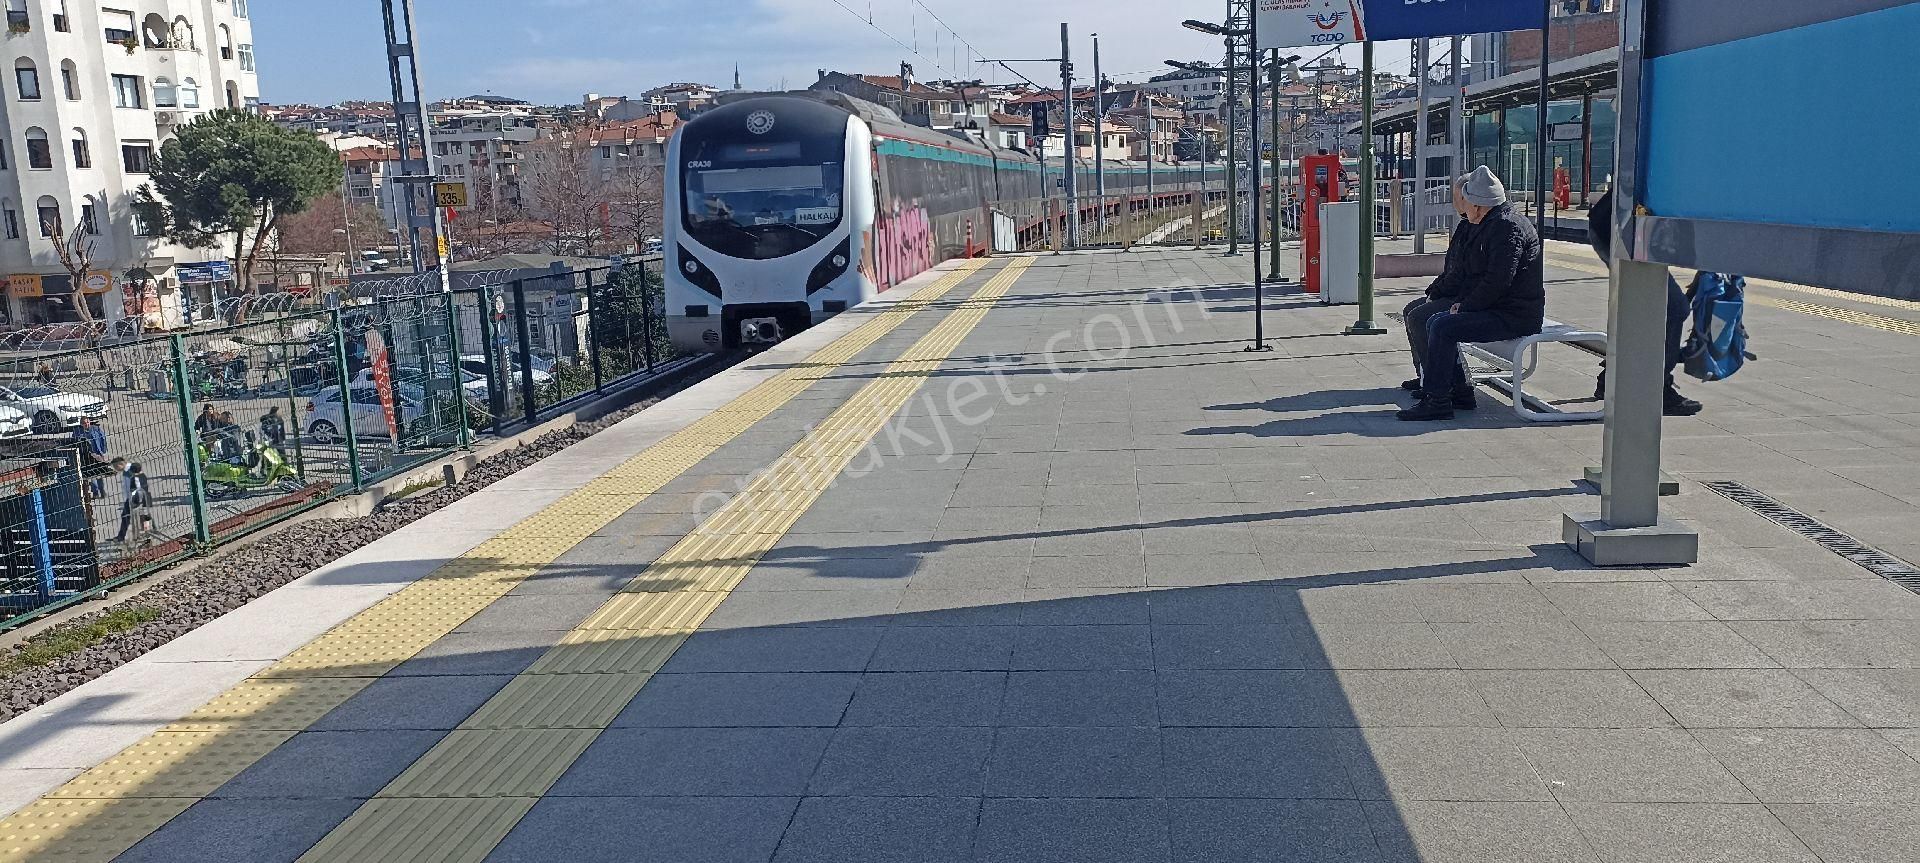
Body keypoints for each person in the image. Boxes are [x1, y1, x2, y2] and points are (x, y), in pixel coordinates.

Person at [1400, 166, 1545, 422]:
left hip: (1513, 315)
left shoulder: (1507, 229)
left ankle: (1439, 401)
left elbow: (1497, 282)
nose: (1463, 208)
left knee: (1442, 325)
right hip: (1497, 307)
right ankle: (1450, 392)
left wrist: (1465, 306)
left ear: (1479, 205)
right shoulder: (1490, 223)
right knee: (1438, 322)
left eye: (1466, 202)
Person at [1586, 188, 1704, 416]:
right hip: (1624, 232)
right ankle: (1659, 390)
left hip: (1617, 227)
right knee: (1673, 309)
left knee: (1644, 309)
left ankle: (1612, 377)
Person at [1400, 176, 1476, 404]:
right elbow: (1451, 269)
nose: (1454, 202)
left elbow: (1461, 274)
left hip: (1464, 297)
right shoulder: (1466, 225)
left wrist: (1438, 292)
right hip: (1457, 292)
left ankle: (1444, 383)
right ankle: (1425, 373)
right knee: (1410, 310)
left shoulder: (1476, 227)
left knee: (1421, 317)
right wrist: (1434, 289)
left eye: (1456, 197)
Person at [73, 416, 110, 498]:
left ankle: (102, 491)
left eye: (88, 422)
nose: (87, 424)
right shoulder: (78, 432)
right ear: (81, 424)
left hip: (98, 454)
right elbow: (74, 442)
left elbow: (103, 439)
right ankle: (96, 493)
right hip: (86, 456)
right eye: (85, 423)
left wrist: (103, 452)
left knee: (99, 473)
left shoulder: (96, 429)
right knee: (92, 475)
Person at [116, 461, 151, 546]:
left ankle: (135, 537)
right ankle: (147, 535)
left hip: (136, 501)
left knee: (132, 518)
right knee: (145, 518)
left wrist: (134, 501)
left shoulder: (135, 478)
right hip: (145, 500)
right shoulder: (143, 476)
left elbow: (137, 490)